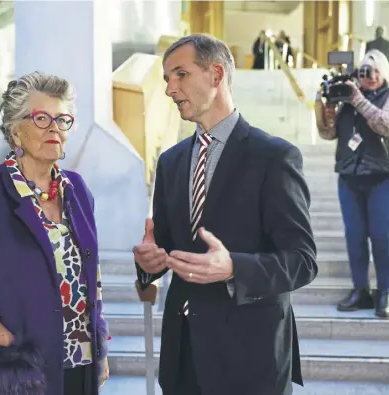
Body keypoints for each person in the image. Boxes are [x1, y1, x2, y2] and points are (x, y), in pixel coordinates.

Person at [133, 33, 318, 395]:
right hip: (182, 357)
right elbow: (167, 248)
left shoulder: (274, 158)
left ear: (216, 75)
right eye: (166, 79)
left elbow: (302, 260)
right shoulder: (170, 162)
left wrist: (233, 267)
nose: (170, 89)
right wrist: (149, 263)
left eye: (180, 74)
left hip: (251, 359)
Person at [0, 72, 109, 395]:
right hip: (19, 375)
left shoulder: (78, 191)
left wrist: (99, 347)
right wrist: (1, 337)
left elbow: (91, 277)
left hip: (77, 367)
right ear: (15, 131)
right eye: (41, 118)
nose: (54, 127)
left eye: (62, 119)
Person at [314, 49, 389, 318]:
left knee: (380, 235)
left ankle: (384, 292)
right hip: (350, 176)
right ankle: (360, 291)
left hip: (385, 177)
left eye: (376, 70)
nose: (371, 76)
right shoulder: (347, 98)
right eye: (366, 71)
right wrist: (324, 106)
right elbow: (328, 132)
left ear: (385, 73)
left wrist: (358, 99)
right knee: (354, 236)